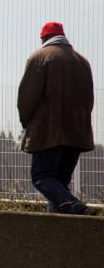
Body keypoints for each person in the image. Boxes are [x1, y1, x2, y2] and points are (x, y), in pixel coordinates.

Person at [18, 21, 95, 215]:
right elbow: (89, 99)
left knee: (42, 176)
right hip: (77, 132)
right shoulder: (82, 61)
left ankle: (77, 208)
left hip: (49, 132)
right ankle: (56, 224)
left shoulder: (40, 57)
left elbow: (27, 97)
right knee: (59, 183)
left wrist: (27, 122)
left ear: (43, 38)